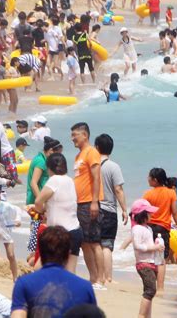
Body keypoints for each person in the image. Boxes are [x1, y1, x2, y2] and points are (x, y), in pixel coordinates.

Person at [11, 226, 97, 318]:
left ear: (41, 252)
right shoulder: (85, 287)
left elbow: (18, 315)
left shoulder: (24, 283)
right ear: (68, 254)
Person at [31, 153, 83, 273]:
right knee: (70, 272)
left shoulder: (54, 180)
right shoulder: (70, 180)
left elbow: (38, 202)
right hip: (75, 231)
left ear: (49, 168)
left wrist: (42, 211)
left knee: (39, 269)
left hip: (59, 234)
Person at [71, 122, 105, 289]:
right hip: (79, 203)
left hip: (89, 203)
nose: (72, 139)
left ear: (85, 135)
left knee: (94, 242)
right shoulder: (78, 156)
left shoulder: (92, 152)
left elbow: (96, 177)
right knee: (84, 242)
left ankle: (100, 279)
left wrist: (94, 202)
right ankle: (92, 278)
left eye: (75, 135)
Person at [143, 168, 177, 292]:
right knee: (161, 260)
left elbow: (141, 213)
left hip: (149, 228)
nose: (148, 179)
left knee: (150, 258)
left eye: (149, 177)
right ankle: (160, 288)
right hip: (163, 229)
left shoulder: (147, 194)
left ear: (155, 180)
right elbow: (175, 213)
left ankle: (150, 286)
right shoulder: (171, 193)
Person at [95, 134, 128, 283]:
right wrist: (125, 210)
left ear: (97, 147)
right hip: (108, 210)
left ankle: (97, 276)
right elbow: (118, 189)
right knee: (107, 245)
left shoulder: (92, 165)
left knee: (95, 245)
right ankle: (108, 277)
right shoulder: (113, 167)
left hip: (93, 208)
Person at [26, 137, 62, 263]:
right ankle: (33, 256)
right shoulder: (41, 162)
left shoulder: (41, 158)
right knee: (37, 227)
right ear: (51, 151)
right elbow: (33, 183)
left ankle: (32, 254)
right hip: (36, 200)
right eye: (58, 153)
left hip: (37, 200)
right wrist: (41, 201)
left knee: (36, 226)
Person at [130, 199, 163, 318]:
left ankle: (147, 315)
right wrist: (154, 247)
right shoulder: (137, 229)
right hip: (143, 264)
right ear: (142, 215)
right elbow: (137, 246)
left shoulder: (148, 228)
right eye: (148, 213)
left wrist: (157, 246)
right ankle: (141, 315)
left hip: (151, 263)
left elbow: (148, 243)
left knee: (149, 290)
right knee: (150, 290)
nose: (151, 215)